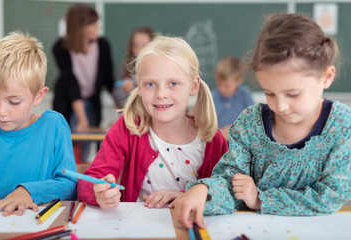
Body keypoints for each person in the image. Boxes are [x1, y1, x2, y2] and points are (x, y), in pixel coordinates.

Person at [172, 13, 351, 229]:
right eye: (269, 93)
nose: (281, 106)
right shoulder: (250, 123)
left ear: (326, 77)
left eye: (293, 94)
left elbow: (330, 197)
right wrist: (203, 191)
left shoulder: (342, 126)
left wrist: (260, 199)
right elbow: (229, 182)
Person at [77, 35, 228, 209]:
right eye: (150, 84)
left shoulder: (212, 141)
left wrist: (187, 195)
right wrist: (98, 191)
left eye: (173, 83)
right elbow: (85, 184)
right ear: (139, 87)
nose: (160, 94)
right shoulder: (127, 130)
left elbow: (227, 194)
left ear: (193, 86)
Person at [0, 32, 77, 216]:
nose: (0, 112)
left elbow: (69, 184)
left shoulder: (54, 126)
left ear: (38, 96)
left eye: (13, 102)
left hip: (34, 223)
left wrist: (28, 192)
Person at [52, 4, 115, 162]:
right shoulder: (60, 48)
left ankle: (82, 174)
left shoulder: (103, 45)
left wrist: (125, 109)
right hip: (69, 103)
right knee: (67, 142)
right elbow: (71, 83)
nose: (97, 27)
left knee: (88, 143)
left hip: (92, 102)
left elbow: (109, 80)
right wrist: (82, 119)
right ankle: (66, 172)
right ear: (79, 27)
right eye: (92, 24)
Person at [112, 26, 155, 109]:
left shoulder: (160, 69)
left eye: (144, 45)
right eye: (136, 46)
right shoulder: (124, 70)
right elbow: (116, 96)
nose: (139, 50)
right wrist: (124, 91)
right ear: (131, 48)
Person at [212, 56, 254, 139]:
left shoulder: (245, 96)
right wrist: (220, 133)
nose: (222, 89)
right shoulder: (212, 97)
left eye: (227, 86)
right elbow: (204, 127)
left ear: (239, 81)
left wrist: (236, 131)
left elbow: (252, 124)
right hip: (219, 143)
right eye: (219, 83)